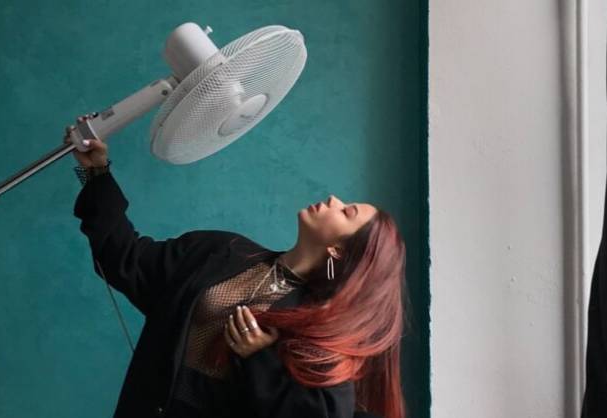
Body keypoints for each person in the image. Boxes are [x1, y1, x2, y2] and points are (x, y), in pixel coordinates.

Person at [64, 116, 408, 418]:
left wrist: (261, 358)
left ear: (338, 251)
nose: (334, 200)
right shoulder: (221, 250)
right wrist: (96, 172)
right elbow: (125, 259)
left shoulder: (319, 329)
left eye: (346, 212)